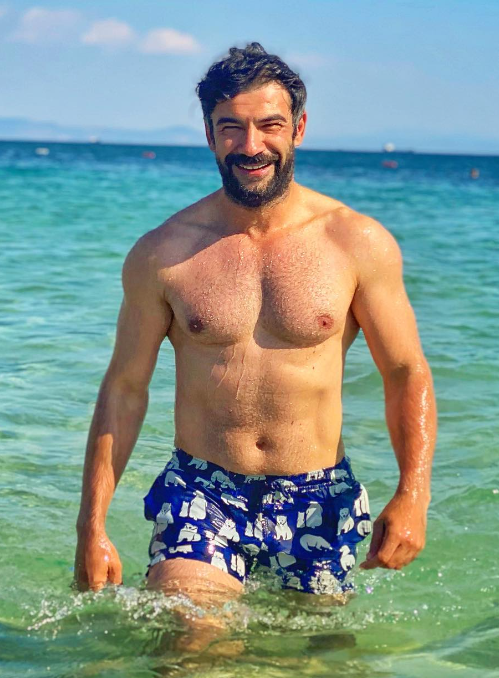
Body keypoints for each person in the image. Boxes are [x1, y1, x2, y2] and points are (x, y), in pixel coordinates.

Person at [74, 42, 436, 644]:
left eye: (269, 125)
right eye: (231, 128)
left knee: (315, 657)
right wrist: (91, 525)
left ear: (298, 128)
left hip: (319, 495)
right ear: (209, 135)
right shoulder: (163, 253)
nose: (250, 146)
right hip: (203, 490)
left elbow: (405, 372)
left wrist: (413, 494)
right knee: (191, 642)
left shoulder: (356, 242)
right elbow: (125, 388)